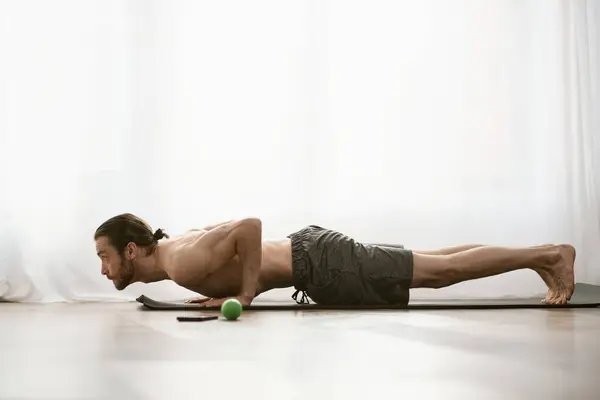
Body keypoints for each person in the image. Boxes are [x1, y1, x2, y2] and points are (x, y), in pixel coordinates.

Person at [93, 213, 576, 307]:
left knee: (438, 272)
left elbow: (250, 227)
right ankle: (537, 256)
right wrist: (240, 287)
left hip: (321, 263)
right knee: (429, 262)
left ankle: (549, 254)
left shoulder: (179, 262)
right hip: (317, 256)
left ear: (130, 250)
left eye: (105, 257)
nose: (103, 269)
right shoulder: (178, 256)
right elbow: (244, 251)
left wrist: (243, 293)